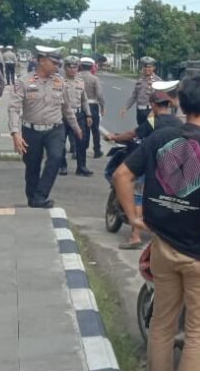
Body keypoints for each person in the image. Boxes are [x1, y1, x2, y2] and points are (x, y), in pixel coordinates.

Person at [112, 74, 200, 371]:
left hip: (162, 247)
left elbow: (121, 175)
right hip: (198, 254)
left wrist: (133, 218)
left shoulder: (160, 137)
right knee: (198, 331)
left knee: (162, 322)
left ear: (181, 103)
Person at [106, 87, 183, 250]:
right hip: (173, 169)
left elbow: (132, 134)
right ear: (168, 104)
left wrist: (114, 137)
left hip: (151, 166)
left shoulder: (153, 121)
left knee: (138, 196)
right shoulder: (178, 123)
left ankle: (135, 237)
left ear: (153, 105)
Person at [9, 46, 83, 209]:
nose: (58, 66)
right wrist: (15, 133)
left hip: (55, 129)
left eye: (59, 63)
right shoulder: (23, 81)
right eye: (54, 63)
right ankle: (33, 198)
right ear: (42, 61)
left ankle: (41, 195)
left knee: (56, 158)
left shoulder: (60, 82)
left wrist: (76, 127)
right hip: (31, 130)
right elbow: (14, 108)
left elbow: (66, 108)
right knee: (32, 165)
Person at [59, 56, 94, 177]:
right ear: (65, 68)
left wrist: (88, 114)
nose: (73, 69)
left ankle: (81, 167)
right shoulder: (60, 82)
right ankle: (62, 166)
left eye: (75, 67)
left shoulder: (80, 82)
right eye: (70, 67)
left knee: (81, 141)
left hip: (79, 114)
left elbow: (84, 100)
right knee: (61, 142)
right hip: (63, 116)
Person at [121, 57, 161, 129]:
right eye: (145, 67)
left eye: (149, 67)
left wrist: (155, 111)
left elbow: (162, 98)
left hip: (151, 111)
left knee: (151, 130)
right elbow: (134, 96)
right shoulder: (140, 80)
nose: (147, 69)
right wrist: (126, 108)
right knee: (141, 130)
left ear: (154, 68)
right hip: (140, 111)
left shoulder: (158, 81)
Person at [78, 57, 106, 158]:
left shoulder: (76, 77)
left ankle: (80, 149)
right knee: (95, 129)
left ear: (81, 66)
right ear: (91, 67)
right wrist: (102, 107)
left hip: (79, 105)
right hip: (92, 105)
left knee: (82, 128)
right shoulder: (94, 79)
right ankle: (97, 150)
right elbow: (99, 95)